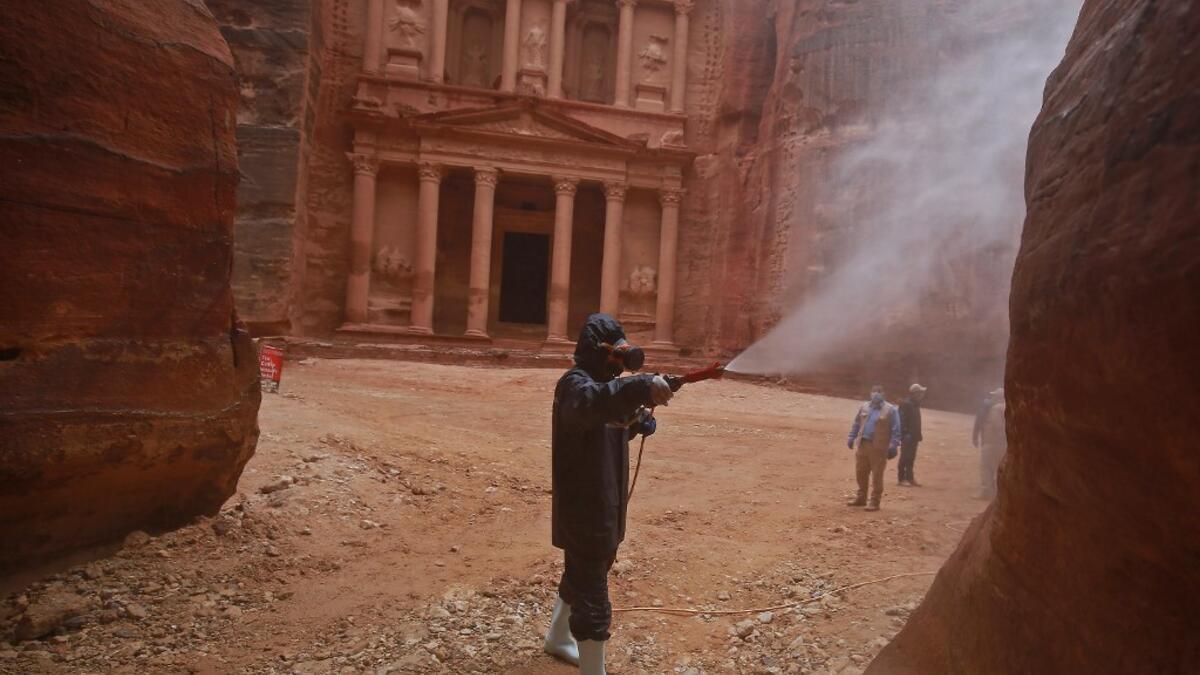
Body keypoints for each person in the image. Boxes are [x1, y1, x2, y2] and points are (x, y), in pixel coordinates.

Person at [543, 313, 674, 674]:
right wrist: (639, 387)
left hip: (606, 502)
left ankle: (556, 638)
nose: (620, 362)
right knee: (594, 595)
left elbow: (606, 420)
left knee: (583, 573)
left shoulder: (604, 388)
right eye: (615, 353)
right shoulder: (574, 385)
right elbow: (592, 405)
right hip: (585, 506)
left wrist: (636, 422)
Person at [846, 384, 901, 511]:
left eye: (879, 391)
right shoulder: (864, 406)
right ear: (870, 393)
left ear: (884, 394)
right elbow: (857, 423)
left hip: (879, 448)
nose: (876, 393)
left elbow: (896, 429)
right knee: (861, 473)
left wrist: (894, 445)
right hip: (863, 444)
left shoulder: (890, 410)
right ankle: (861, 498)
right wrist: (851, 437)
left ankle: (875, 501)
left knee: (877, 476)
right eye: (874, 391)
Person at [974, 387, 1007, 499]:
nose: (992, 397)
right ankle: (998, 493)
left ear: (999, 397)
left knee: (986, 468)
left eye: (994, 396)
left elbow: (998, 427)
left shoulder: (996, 409)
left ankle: (986, 492)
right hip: (1002, 445)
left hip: (992, 443)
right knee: (999, 469)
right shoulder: (1007, 408)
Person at [897, 383, 927, 486]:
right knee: (904, 457)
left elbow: (916, 422)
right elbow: (901, 420)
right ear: (915, 393)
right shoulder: (906, 404)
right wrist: (905, 434)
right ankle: (901, 479)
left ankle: (910, 478)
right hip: (907, 437)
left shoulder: (915, 405)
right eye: (920, 393)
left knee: (911, 458)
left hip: (914, 437)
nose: (922, 395)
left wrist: (918, 435)